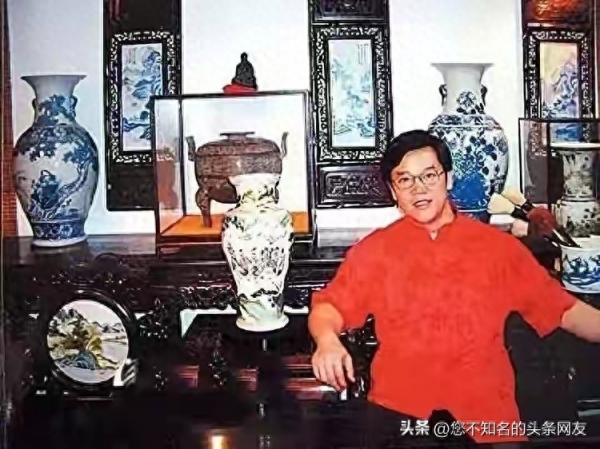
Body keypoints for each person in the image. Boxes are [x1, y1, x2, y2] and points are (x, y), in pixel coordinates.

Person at [308, 130, 600, 447]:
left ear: (448, 179)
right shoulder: (374, 251)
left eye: (429, 175)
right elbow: (329, 306)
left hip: (485, 419)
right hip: (401, 415)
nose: (418, 188)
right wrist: (327, 340)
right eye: (405, 180)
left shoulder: (497, 249)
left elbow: (563, 309)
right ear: (393, 191)